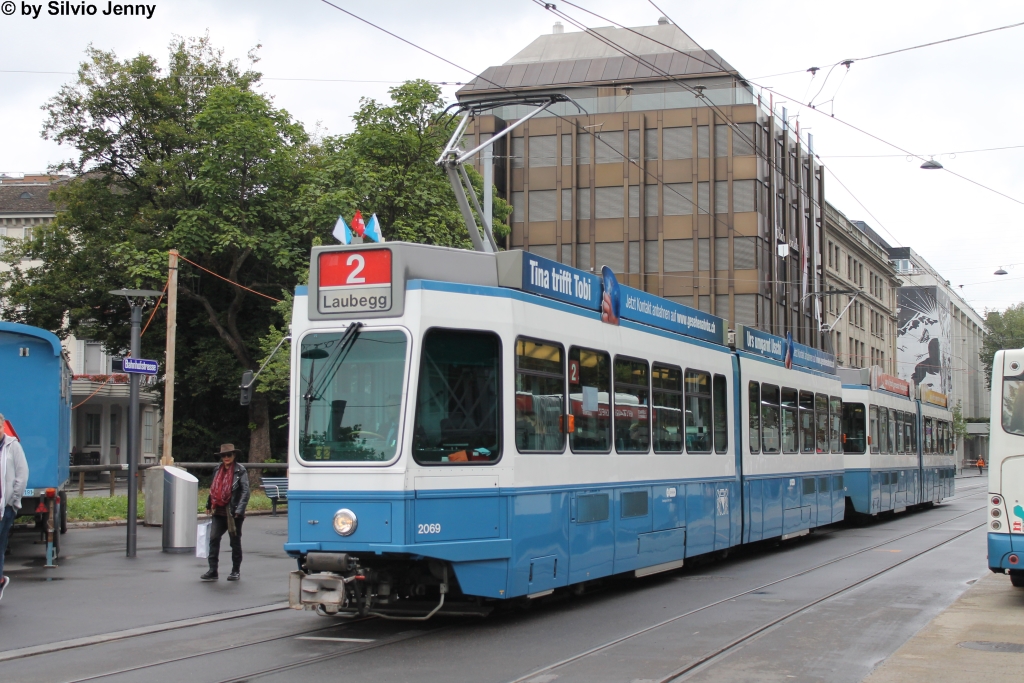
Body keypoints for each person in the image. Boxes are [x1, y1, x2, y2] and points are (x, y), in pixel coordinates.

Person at [201, 444, 250, 582]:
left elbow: (245, 492)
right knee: (213, 539)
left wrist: (240, 510)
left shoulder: (240, 470)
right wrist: (209, 504)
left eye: (229, 455)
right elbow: (213, 488)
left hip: (233, 512)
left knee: (234, 541)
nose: (226, 458)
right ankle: (212, 570)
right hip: (219, 511)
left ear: (234, 456)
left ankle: (235, 571)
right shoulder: (217, 469)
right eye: (224, 455)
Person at [0, 413, 29, 601]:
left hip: (5, 507)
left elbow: (22, 474)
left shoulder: (12, 447)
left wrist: (12, 500)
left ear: (2, 426)